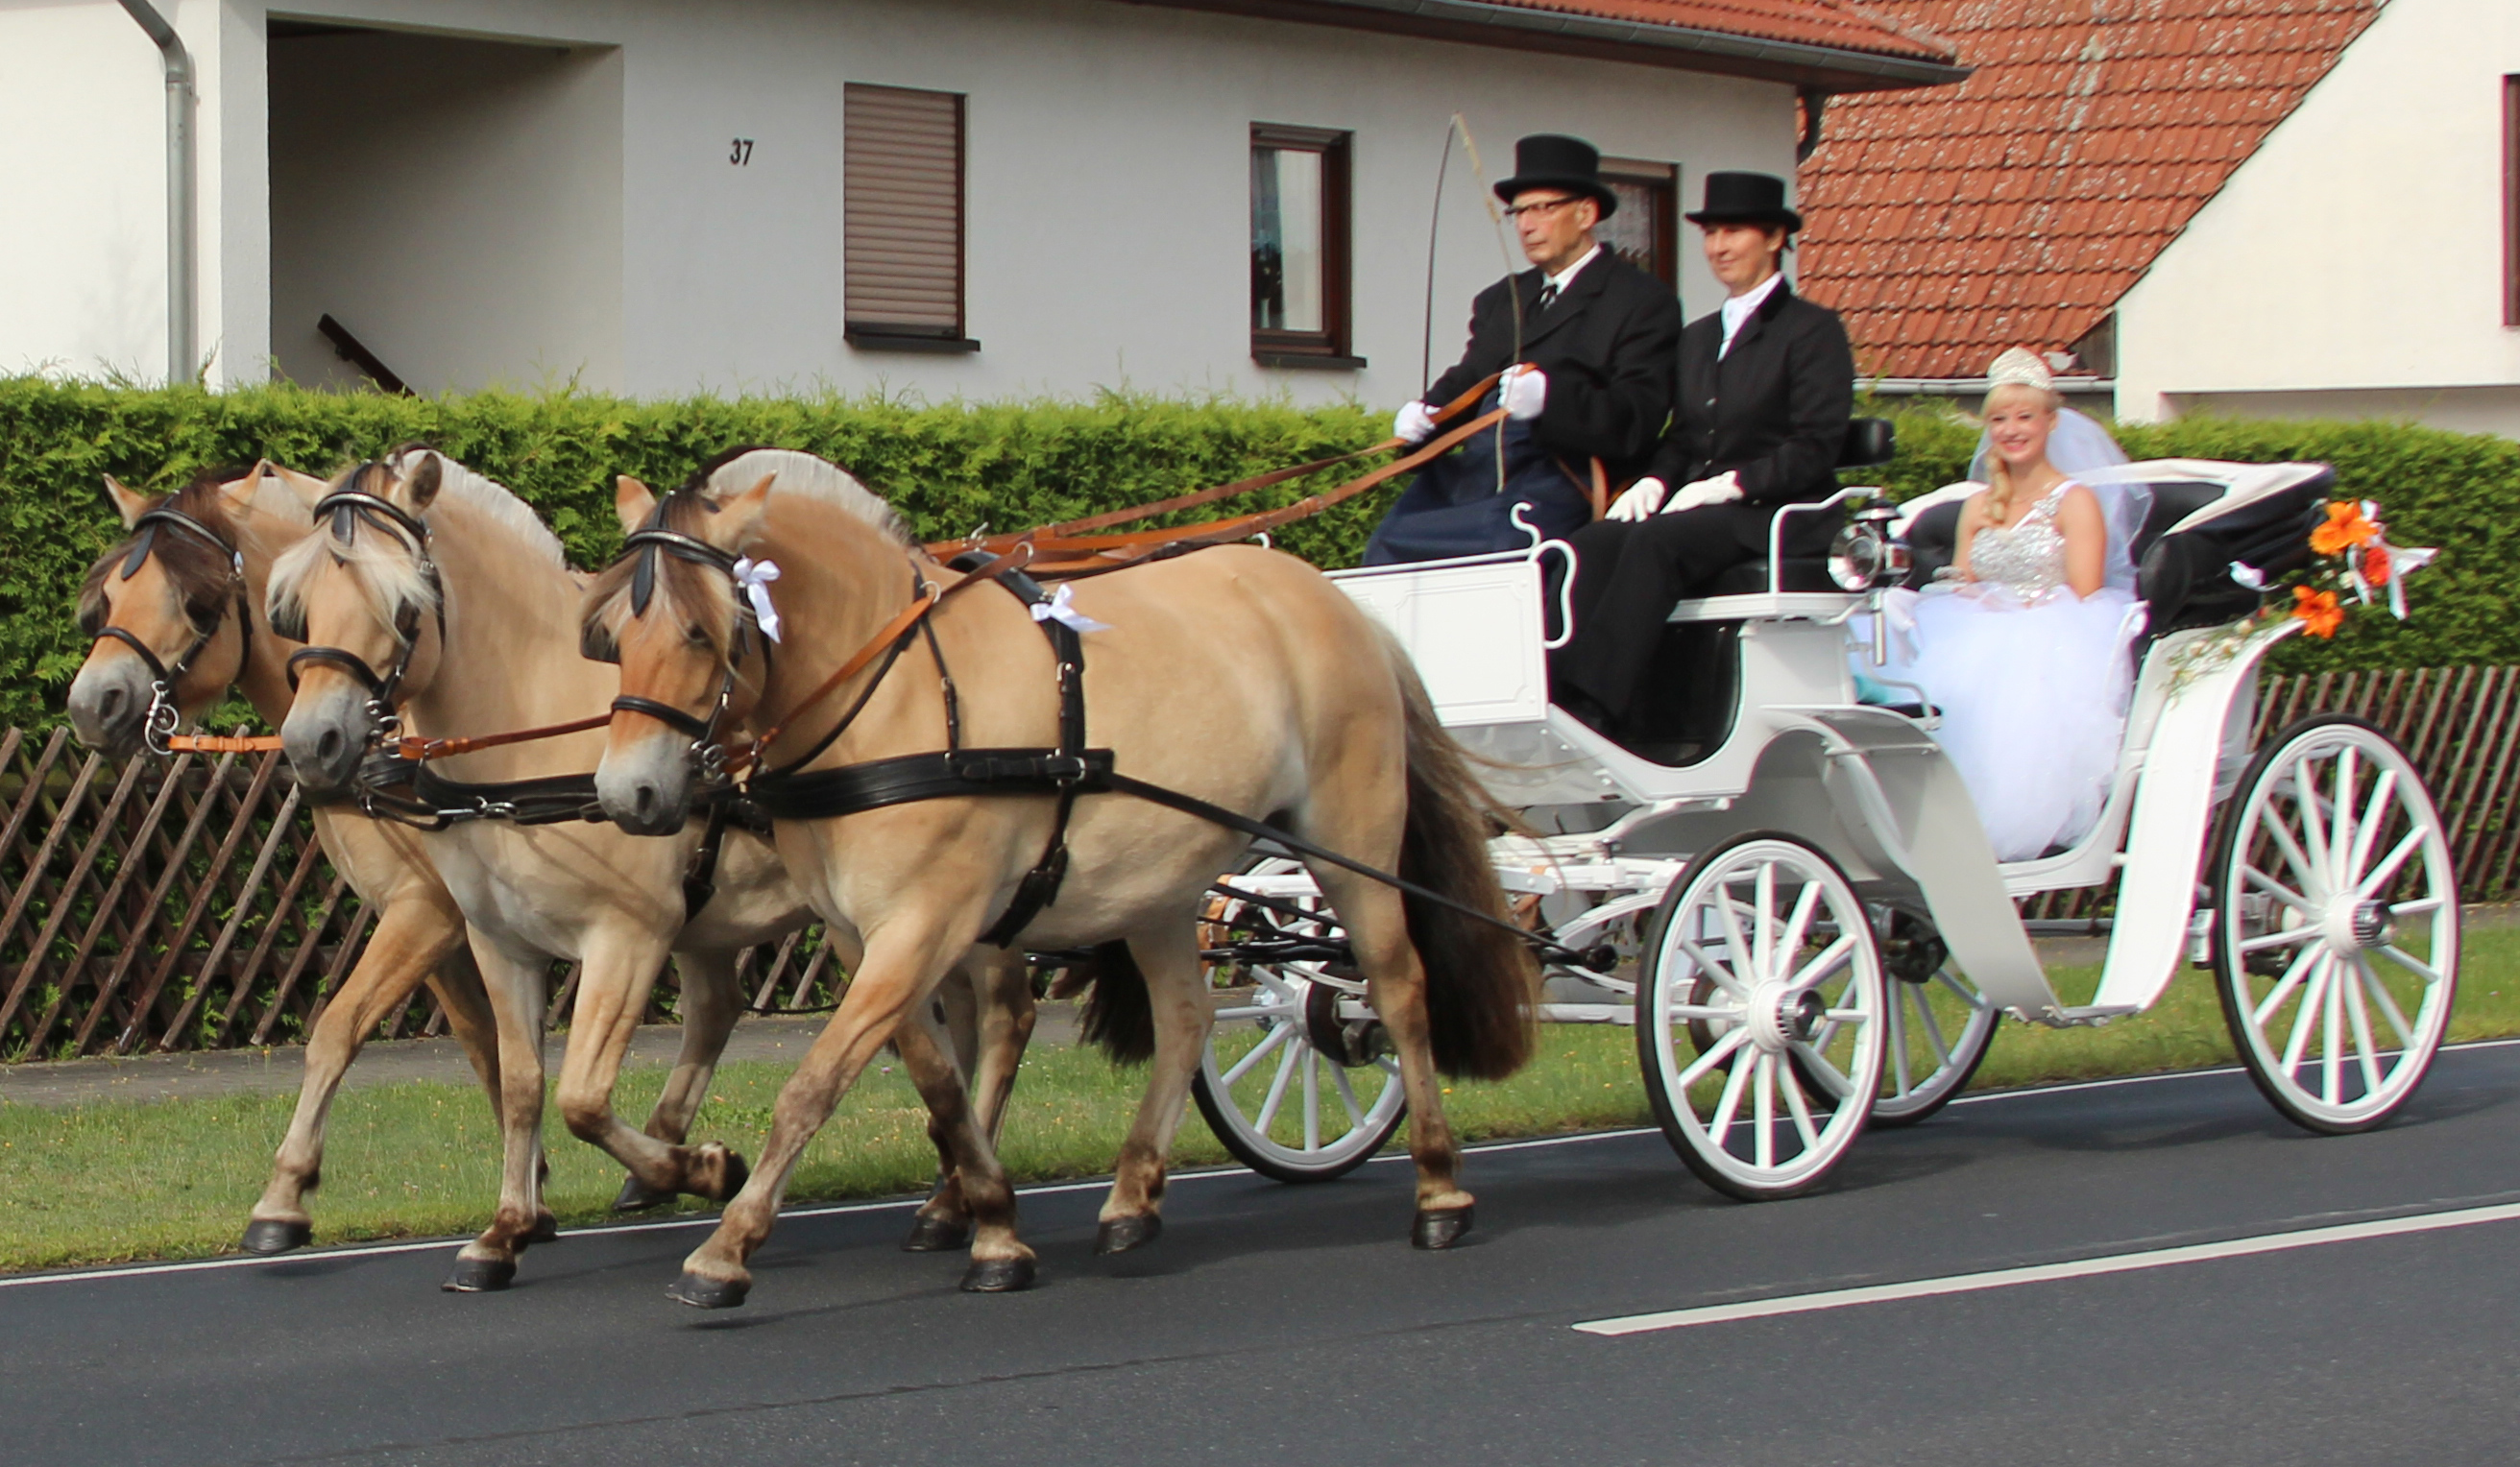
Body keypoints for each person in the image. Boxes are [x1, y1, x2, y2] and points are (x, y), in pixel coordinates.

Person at [1547, 171, 1854, 734]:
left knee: (1660, 542)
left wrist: (1733, 484)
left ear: (1773, 239)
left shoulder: (1812, 332)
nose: (1718, 248)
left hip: (1779, 513)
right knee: (1591, 542)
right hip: (1708, 510)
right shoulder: (1699, 336)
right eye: (1711, 234)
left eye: (1733, 232)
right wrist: (1656, 482)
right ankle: (1553, 689)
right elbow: (1685, 437)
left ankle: (1597, 705)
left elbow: (1814, 447)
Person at [1872, 349, 2148, 861]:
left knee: (2007, 684)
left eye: (2025, 417)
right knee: (1908, 666)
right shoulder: (1978, 505)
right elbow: (1962, 577)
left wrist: (2021, 611)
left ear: (2050, 422)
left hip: (2052, 633)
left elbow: (2085, 594)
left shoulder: (2074, 501)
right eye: (2000, 419)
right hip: (1973, 628)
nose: (2012, 430)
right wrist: (1973, 596)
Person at [1362, 134, 1682, 565]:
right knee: (1389, 539)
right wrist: (1426, 416)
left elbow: (1637, 418)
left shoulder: (1639, 299)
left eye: (1543, 209)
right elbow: (1469, 378)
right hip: (1478, 473)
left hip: (1562, 474)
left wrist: (1551, 402)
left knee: (1498, 543)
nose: (1526, 225)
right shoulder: (1501, 300)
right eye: (1519, 212)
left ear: (1586, 213)